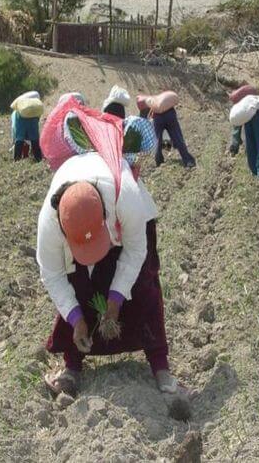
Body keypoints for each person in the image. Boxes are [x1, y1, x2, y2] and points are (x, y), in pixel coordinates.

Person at [37, 152, 176, 396]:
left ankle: (159, 363)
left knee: (144, 283)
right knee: (79, 283)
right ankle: (73, 363)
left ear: (104, 215)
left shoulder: (126, 198)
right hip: (87, 218)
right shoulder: (49, 224)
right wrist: (75, 319)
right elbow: (53, 276)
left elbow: (135, 253)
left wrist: (116, 299)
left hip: (126, 220)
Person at [137, 94, 196, 168]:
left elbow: (144, 118)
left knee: (158, 141)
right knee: (177, 138)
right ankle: (188, 161)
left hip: (158, 119)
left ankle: (159, 161)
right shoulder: (160, 101)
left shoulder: (148, 104)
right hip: (170, 115)